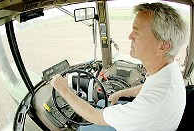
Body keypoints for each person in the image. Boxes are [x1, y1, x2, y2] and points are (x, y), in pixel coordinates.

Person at [50, 2, 187, 131]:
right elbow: (149, 87)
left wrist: (63, 88)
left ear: (163, 46)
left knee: (83, 128)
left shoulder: (153, 104)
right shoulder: (168, 71)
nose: (130, 36)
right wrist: (120, 93)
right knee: (104, 101)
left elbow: (94, 116)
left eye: (137, 32)